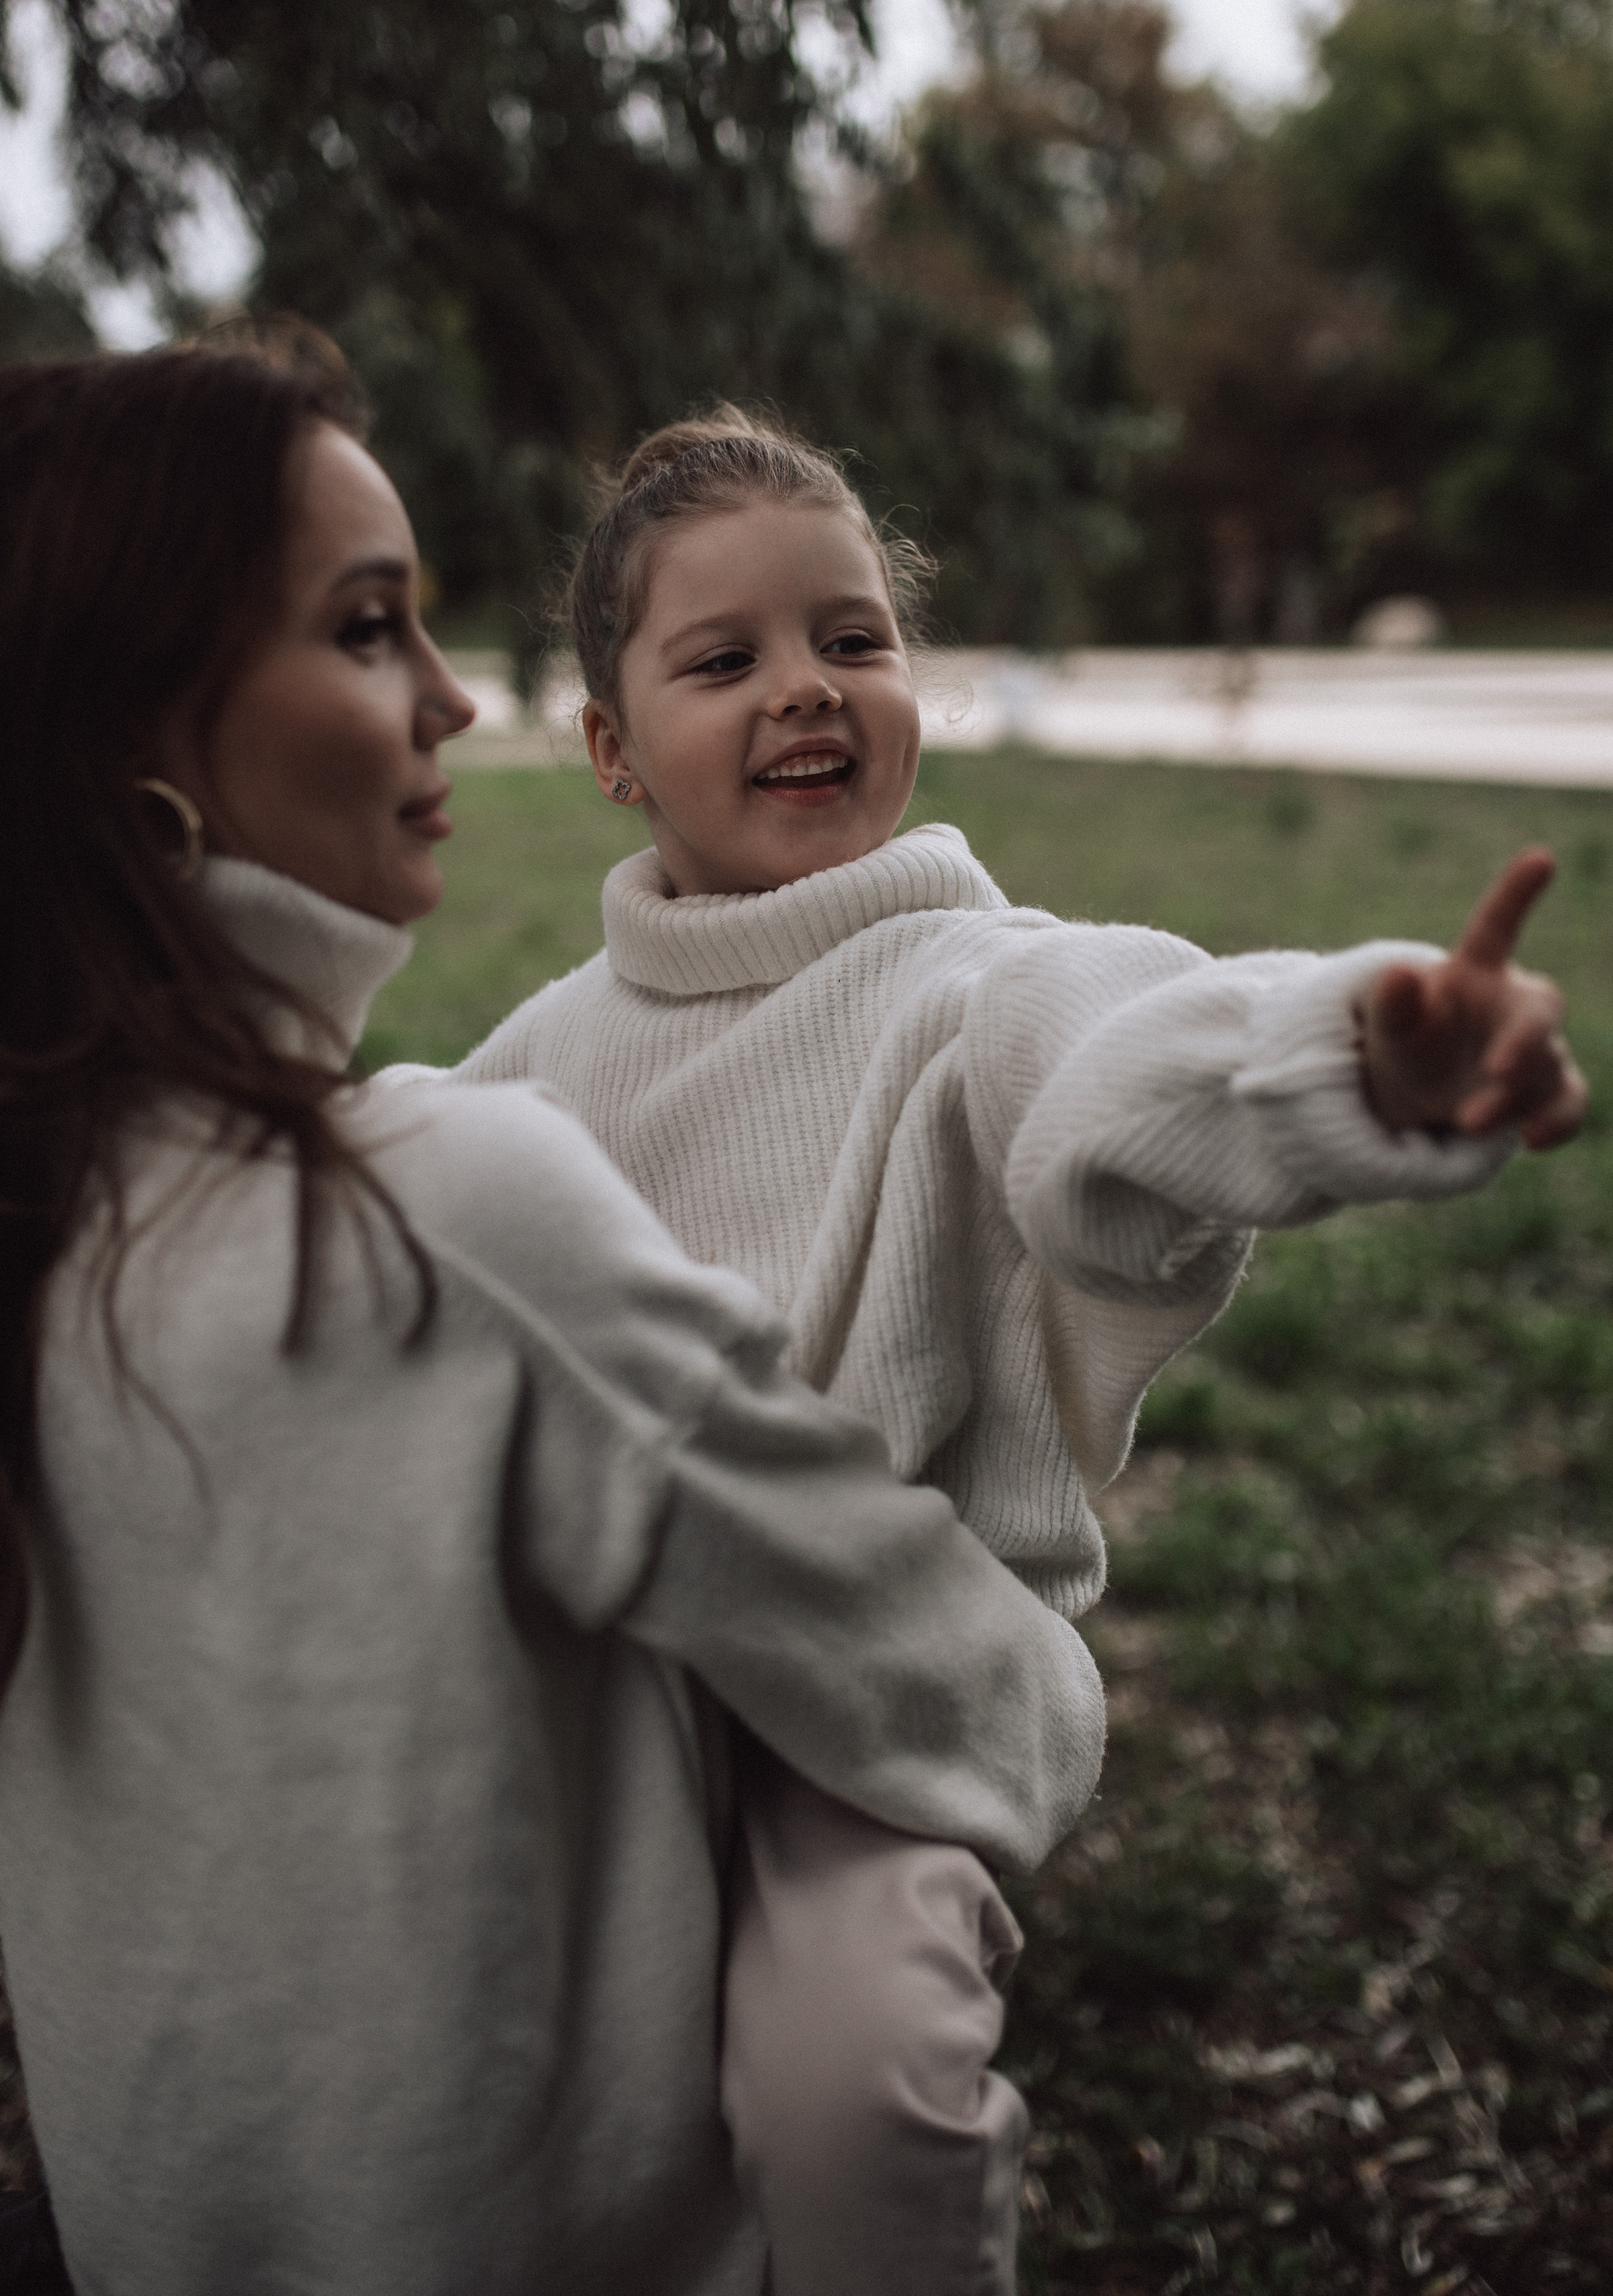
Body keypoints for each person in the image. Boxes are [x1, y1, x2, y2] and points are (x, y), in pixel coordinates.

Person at [437, 407, 1588, 2296]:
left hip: (866, 1710)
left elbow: (1131, 1046)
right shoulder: (549, 1052)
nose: (806, 689)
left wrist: (1351, 1055)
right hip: (606, 1698)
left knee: (858, 2095)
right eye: (725, 660)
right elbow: (389, 1190)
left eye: (853, 639)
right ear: (610, 749)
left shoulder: (973, 983)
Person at [0, 342, 1110, 2296]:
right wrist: (1034, 1722)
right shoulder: (459, 1209)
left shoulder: (43, 1209)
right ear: (126, 720)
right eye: (365, 631)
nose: (445, 697)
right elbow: (938, 1668)